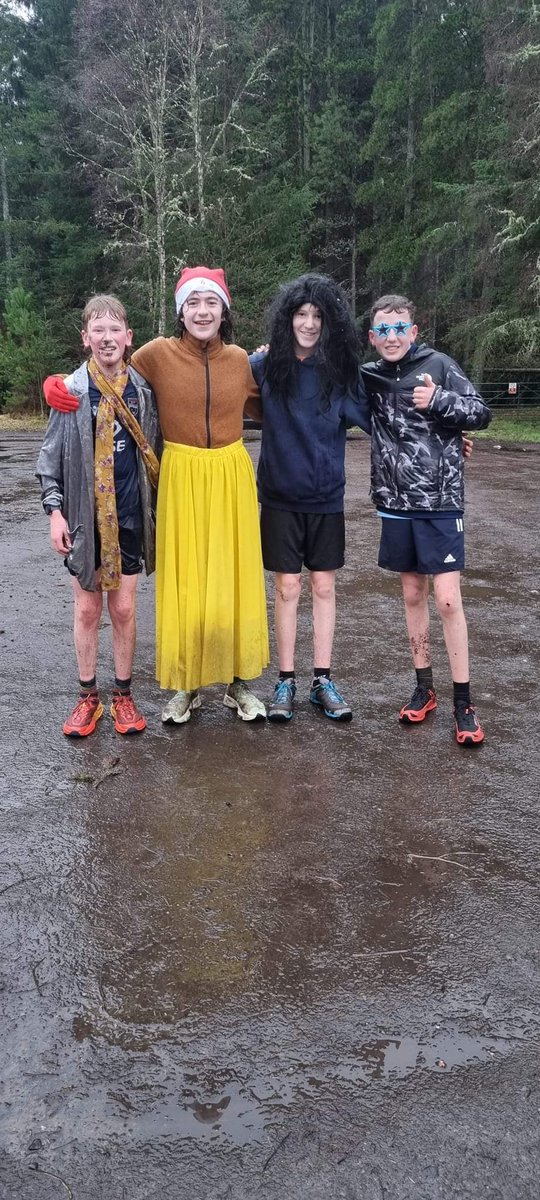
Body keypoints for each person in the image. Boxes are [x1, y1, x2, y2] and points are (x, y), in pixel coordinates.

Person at [44, 267, 269, 724]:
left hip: (230, 475)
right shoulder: (157, 355)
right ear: (180, 311)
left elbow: (282, 405)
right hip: (179, 476)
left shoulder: (243, 361)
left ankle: (237, 684)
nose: (202, 311)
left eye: (211, 303)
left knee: (233, 586)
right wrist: (55, 386)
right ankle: (186, 686)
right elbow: (105, 370)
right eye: (192, 303)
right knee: (185, 588)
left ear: (224, 310)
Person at [361, 293, 491, 746]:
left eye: (401, 328)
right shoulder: (370, 376)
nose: (392, 337)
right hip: (395, 504)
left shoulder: (439, 365)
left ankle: (464, 702)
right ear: (373, 336)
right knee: (413, 594)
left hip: (440, 503)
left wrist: (439, 401)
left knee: (448, 600)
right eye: (383, 330)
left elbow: (480, 413)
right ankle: (424, 687)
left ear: (413, 332)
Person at [37, 294, 160, 737]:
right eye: (98, 330)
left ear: (128, 338)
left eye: (115, 330)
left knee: (124, 608)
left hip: (129, 516)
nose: (107, 339)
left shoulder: (144, 391)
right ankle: (88, 696)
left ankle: (123, 696)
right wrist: (55, 512)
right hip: (85, 521)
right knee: (88, 609)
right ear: (86, 338)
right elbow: (49, 459)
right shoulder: (69, 391)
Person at [250, 273, 371, 723]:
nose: (309, 323)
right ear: (287, 319)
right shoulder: (263, 367)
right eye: (301, 314)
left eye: (317, 315)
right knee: (287, 587)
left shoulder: (341, 374)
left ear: (330, 320)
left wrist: (446, 436)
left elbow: (386, 419)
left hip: (326, 498)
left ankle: (322, 680)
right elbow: (210, 388)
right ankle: (285, 681)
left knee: (323, 585)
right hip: (280, 497)